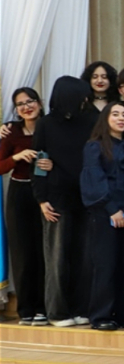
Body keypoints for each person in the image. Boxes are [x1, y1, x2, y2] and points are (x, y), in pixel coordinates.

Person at [32, 77, 97, 327]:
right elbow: (38, 164)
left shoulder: (92, 121)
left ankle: (82, 308)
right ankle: (57, 312)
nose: (85, 100)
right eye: (81, 95)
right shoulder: (46, 124)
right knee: (57, 257)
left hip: (87, 198)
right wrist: (41, 199)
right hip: (56, 199)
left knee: (85, 256)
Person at [80, 102, 124, 330]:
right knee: (105, 265)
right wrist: (112, 209)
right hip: (104, 213)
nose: (121, 118)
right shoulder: (94, 146)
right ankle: (101, 316)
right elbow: (94, 180)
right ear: (105, 119)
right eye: (115, 114)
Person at [0, 88, 49, 325]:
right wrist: (16, 158)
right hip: (20, 193)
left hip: (47, 195)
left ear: (40, 103)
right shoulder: (11, 132)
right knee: (22, 253)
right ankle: (26, 309)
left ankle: (44, 307)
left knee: (44, 252)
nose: (26, 106)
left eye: (30, 101)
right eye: (20, 104)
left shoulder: (51, 127)